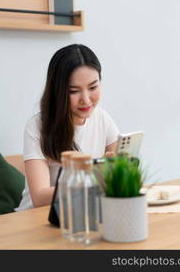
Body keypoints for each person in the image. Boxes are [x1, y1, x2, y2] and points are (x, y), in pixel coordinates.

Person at [15, 44, 120, 211]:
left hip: (83, 212)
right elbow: (39, 197)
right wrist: (92, 177)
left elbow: (118, 170)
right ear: (58, 91)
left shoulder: (102, 118)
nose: (86, 100)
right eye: (73, 91)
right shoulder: (37, 127)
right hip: (37, 218)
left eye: (93, 87)